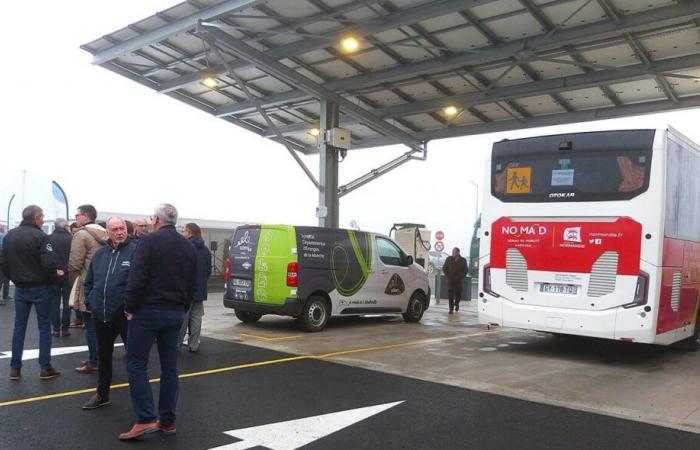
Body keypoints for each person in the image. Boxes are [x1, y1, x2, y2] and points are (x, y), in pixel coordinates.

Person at [119, 204, 196, 440]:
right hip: (174, 312)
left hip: (148, 311)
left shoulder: (148, 242)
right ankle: (167, 420)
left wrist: (130, 307)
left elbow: (137, 277)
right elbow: (193, 284)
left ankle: (145, 419)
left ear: (155, 221)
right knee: (169, 367)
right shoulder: (188, 246)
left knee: (136, 364)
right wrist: (181, 309)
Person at [0, 205, 62, 380]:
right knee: (44, 328)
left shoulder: (10, 235)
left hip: (20, 287)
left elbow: (3, 262)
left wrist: (15, 277)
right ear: (35, 218)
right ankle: (45, 367)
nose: (43, 220)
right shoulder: (41, 236)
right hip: (41, 287)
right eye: (42, 217)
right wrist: (53, 277)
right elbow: (49, 264)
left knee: (19, 327)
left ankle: (15, 368)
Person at [82, 217, 136, 410]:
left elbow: (142, 283)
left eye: (122, 228)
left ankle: (140, 401)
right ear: (108, 232)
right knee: (104, 357)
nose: (119, 232)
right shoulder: (100, 255)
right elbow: (89, 282)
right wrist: (91, 301)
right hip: (101, 314)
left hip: (126, 315)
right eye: (115, 229)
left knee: (135, 358)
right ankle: (102, 394)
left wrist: (133, 307)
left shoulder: (136, 252)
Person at [69, 204, 107, 374]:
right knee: (100, 326)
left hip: (87, 283)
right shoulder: (106, 233)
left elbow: (74, 263)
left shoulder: (81, 234)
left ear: (85, 216)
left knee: (89, 326)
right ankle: (98, 357)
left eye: (77, 214)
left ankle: (94, 361)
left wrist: (74, 283)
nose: (76, 217)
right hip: (104, 284)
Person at [178, 223, 212, 353]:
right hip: (200, 290)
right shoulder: (205, 250)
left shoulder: (184, 248)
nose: (182, 233)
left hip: (186, 290)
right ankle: (194, 344)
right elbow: (208, 270)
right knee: (196, 318)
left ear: (189, 232)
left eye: (184, 231)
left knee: (183, 319)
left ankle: (177, 345)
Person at [49, 218, 73, 337]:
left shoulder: (48, 238)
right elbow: (73, 257)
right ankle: (65, 328)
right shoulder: (71, 238)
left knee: (54, 302)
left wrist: (56, 270)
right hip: (68, 274)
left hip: (53, 275)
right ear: (65, 226)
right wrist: (64, 269)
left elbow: (47, 257)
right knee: (68, 302)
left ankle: (56, 328)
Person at [442, 247, 468, 314]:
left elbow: (465, 270)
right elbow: (444, 268)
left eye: (454, 252)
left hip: (459, 281)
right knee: (450, 296)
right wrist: (448, 276)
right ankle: (451, 309)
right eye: (452, 252)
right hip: (451, 281)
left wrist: (461, 277)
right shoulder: (449, 259)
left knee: (458, 295)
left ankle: (456, 303)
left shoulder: (463, 260)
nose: (453, 253)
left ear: (458, 253)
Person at [0, 224, 11, 303]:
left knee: (4, 279)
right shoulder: (3, 236)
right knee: (4, 278)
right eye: (3, 228)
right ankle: (5, 295)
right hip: (3, 259)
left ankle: (5, 295)